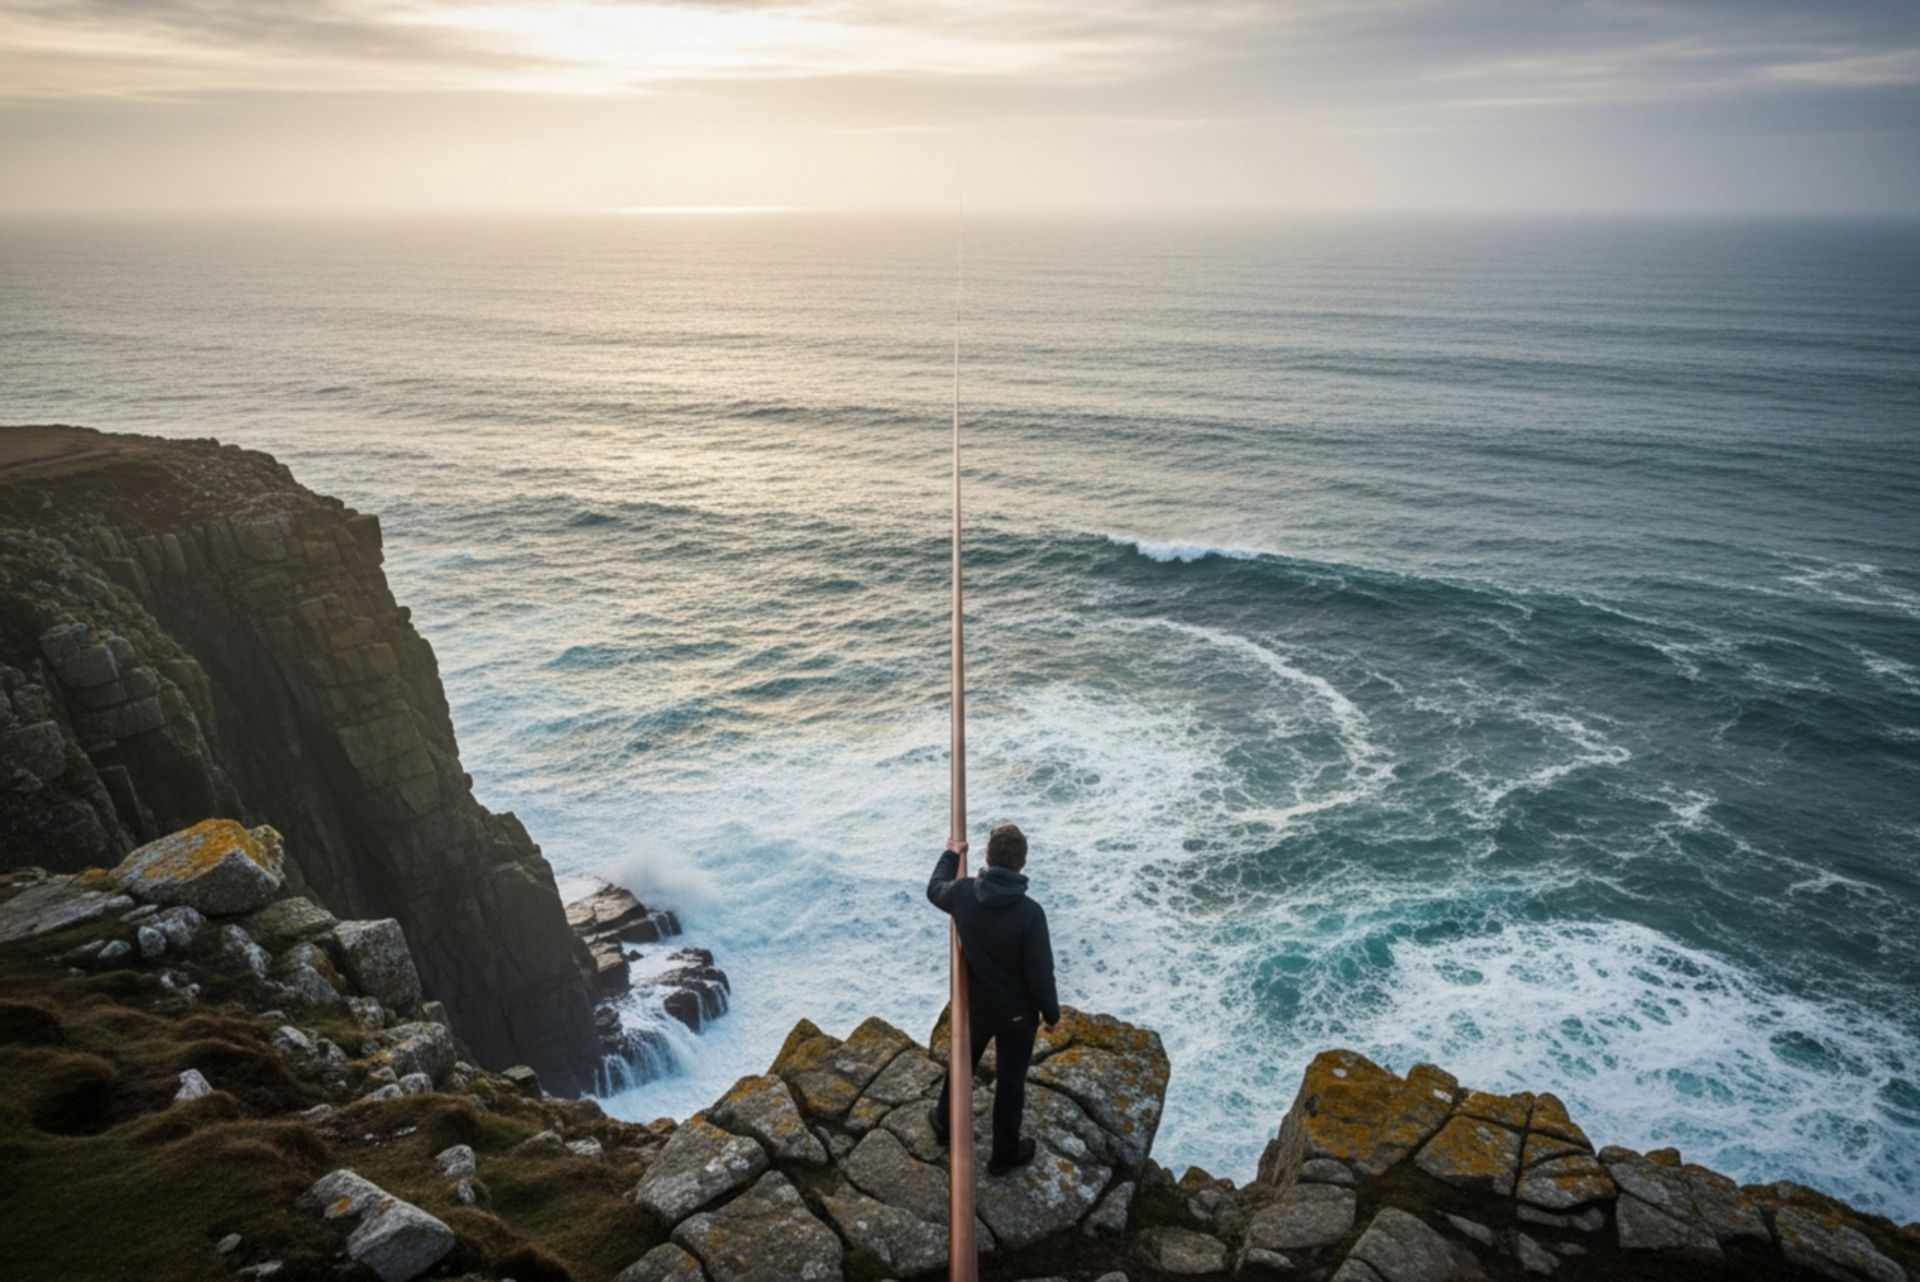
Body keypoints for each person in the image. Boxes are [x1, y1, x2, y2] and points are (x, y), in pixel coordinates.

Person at [926, 822, 1060, 1176]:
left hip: (976, 1007)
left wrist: (951, 855)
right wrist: (1051, 1015)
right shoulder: (1030, 914)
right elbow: (1040, 974)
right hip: (1017, 1016)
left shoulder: (963, 894)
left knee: (962, 1064)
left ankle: (944, 1123)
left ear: (986, 857)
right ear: (1022, 863)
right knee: (1010, 1083)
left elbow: (934, 889)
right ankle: (1004, 1154)